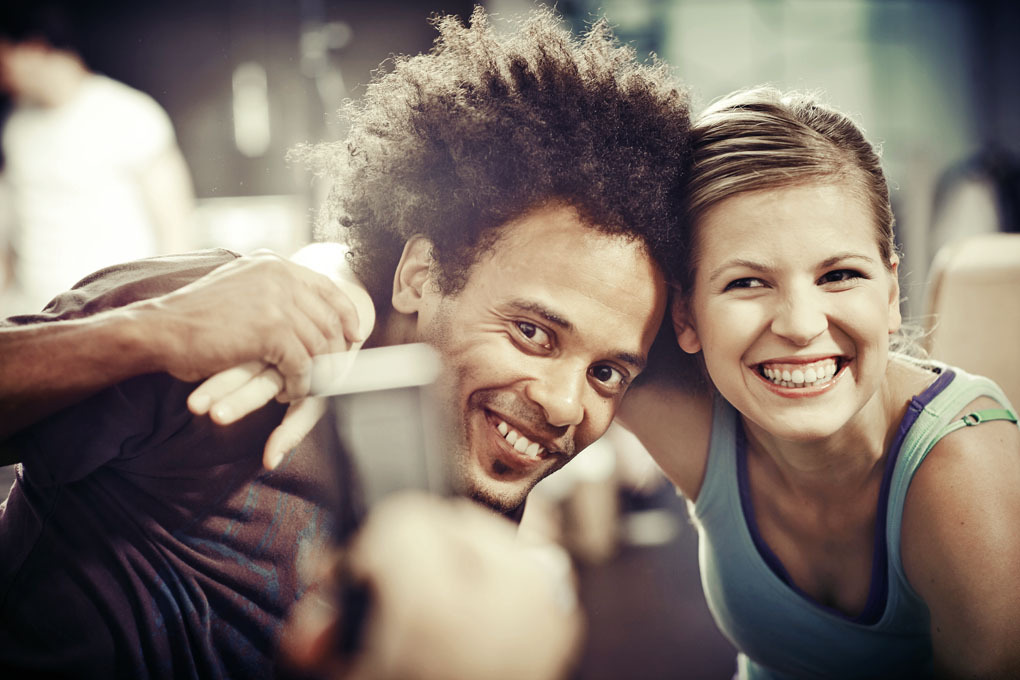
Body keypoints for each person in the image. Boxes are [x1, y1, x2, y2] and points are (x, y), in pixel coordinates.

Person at [0, 7, 691, 679]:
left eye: (607, 373)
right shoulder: (224, 339)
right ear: (419, 276)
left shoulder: (467, 473)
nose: (566, 405)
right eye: (533, 333)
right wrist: (152, 332)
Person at [618, 86, 1020, 678]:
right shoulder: (693, 422)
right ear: (686, 315)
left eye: (838, 275)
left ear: (890, 294)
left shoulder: (964, 472)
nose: (802, 326)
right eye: (747, 283)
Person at [0, 1, 195, 315]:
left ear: (33, 47)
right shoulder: (15, 124)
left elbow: (176, 230)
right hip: (35, 319)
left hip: (116, 319)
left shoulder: (130, 114)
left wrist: (164, 314)